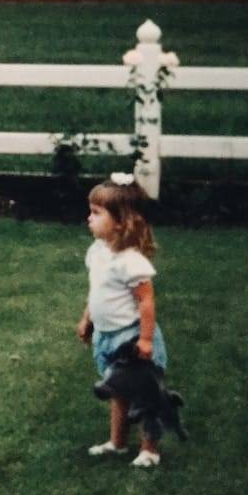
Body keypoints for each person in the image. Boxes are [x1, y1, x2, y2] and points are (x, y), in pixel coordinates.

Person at [75, 172, 169, 468]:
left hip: (130, 338)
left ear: (120, 221)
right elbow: (98, 290)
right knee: (117, 390)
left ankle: (149, 449)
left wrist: (144, 338)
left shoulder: (131, 261)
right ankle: (117, 443)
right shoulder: (97, 252)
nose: (88, 218)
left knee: (144, 396)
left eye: (96, 213)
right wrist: (87, 318)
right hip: (106, 336)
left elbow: (146, 301)